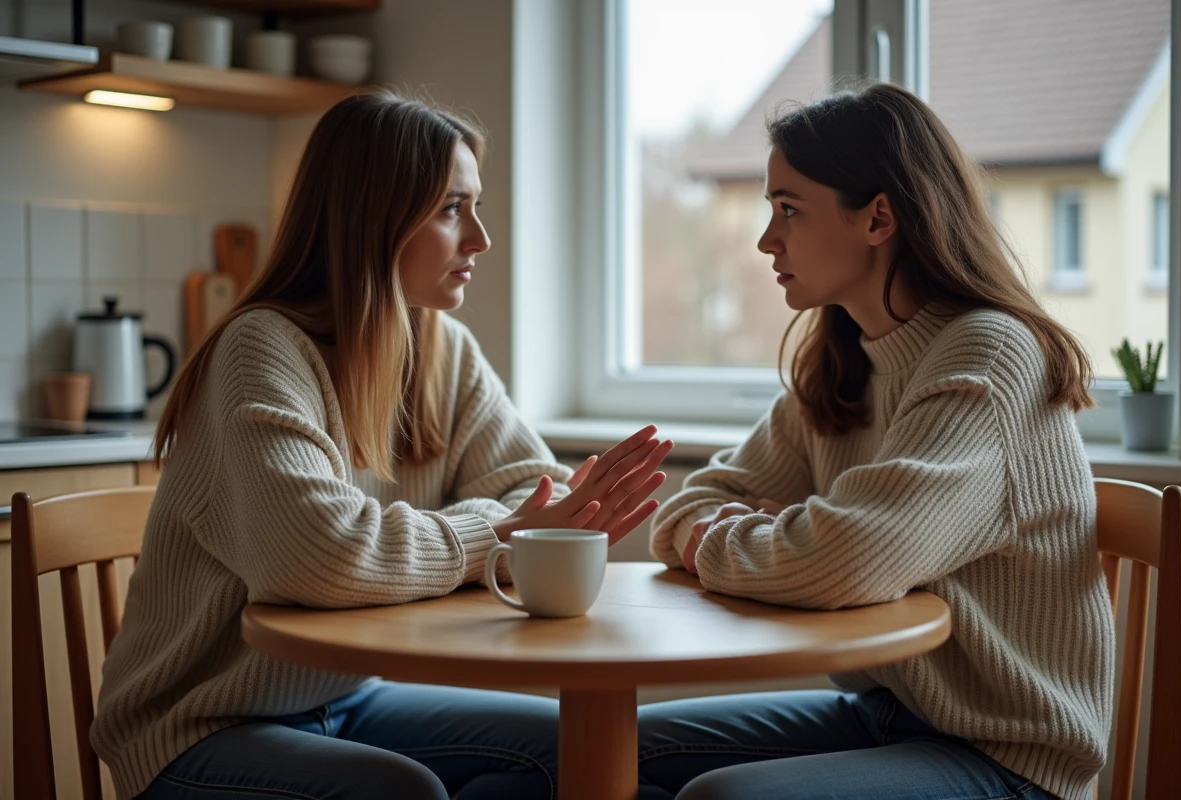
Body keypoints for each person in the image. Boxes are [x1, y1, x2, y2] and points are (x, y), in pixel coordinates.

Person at [91, 88, 673, 800]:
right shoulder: (260, 352)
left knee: (586, 754)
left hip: (348, 697)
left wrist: (519, 526)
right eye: (452, 209)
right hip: (199, 726)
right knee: (400, 793)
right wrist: (505, 533)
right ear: (373, 218)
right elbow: (322, 557)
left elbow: (536, 487)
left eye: (474, 205)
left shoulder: (440, 347)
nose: (480, 239)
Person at [636, 83, 1114, 800]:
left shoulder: (986, 357)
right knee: (602, 754)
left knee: (719, 797)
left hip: (1009, 757)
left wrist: (723, 542)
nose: (768, 239)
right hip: (889, 714)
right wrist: (755, 532)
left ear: (879, 217)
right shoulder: (848, 360)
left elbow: (847, 560)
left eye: (789, 209)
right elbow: (691, 504)